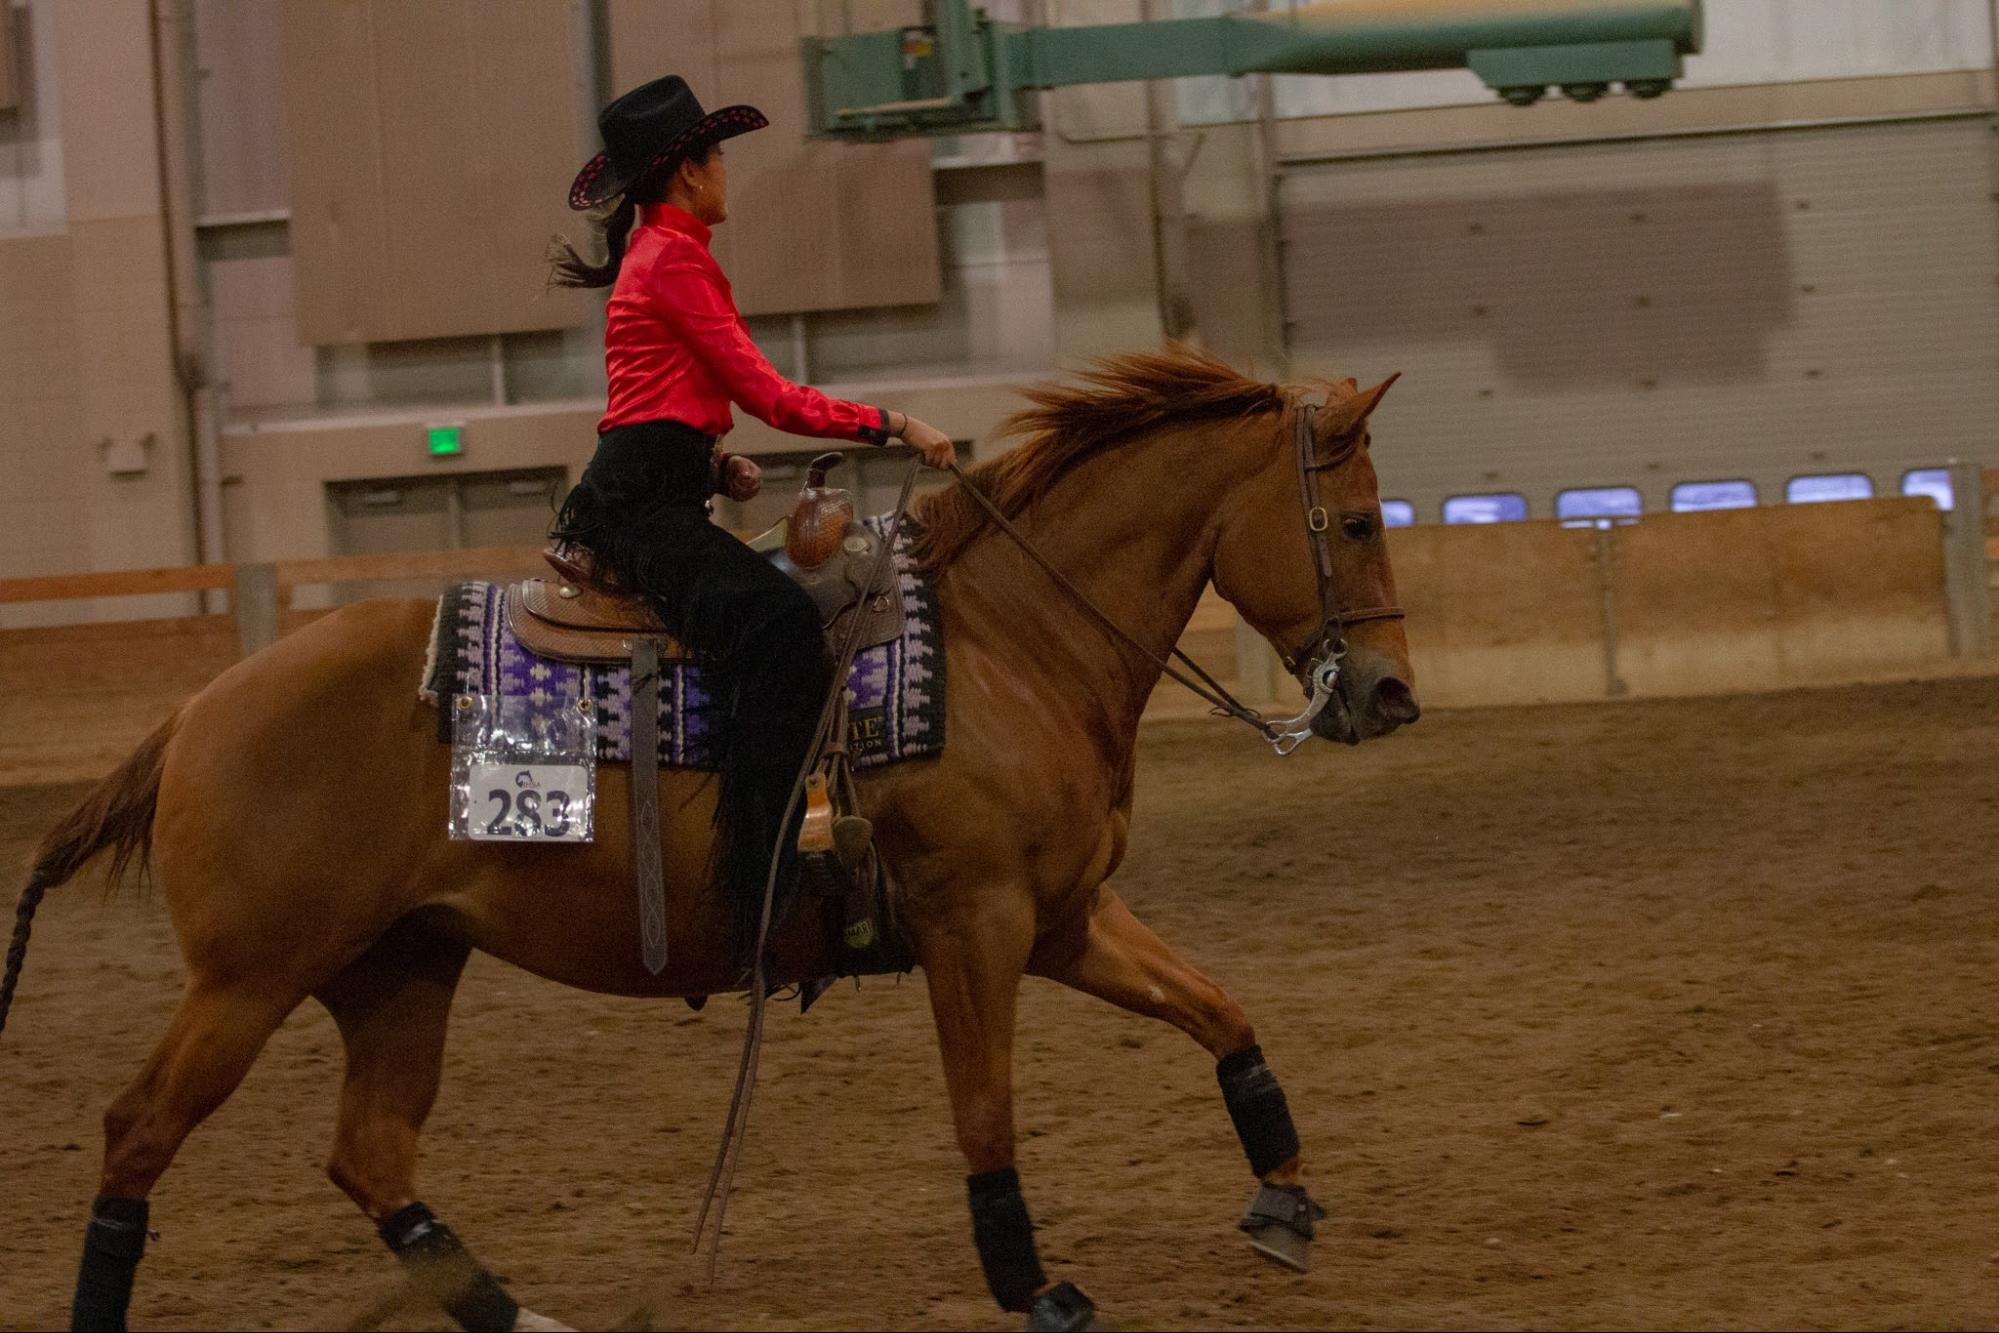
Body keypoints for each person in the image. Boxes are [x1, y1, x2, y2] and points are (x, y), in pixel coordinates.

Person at [547, 74, 955, 957]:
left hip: (647, 488)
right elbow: (771, 397)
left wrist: (709, 462)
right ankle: (767, 874)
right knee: (778, 626)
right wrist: (892, 424)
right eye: (719, 155)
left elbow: (654, 403)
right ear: (688, 172)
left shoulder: (660, 255)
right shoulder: (674, 260)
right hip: (640, 506)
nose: (727, 170)